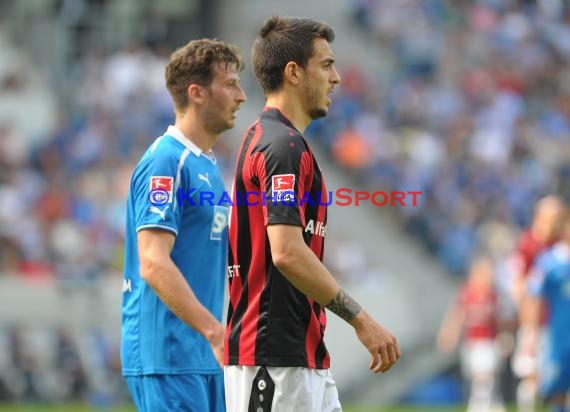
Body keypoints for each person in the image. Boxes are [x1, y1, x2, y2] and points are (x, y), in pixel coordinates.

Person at [224, 16, 400, 412]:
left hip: (300, 357)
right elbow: (285, 251)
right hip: (273, 359)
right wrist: (360, 319)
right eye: (325, 65)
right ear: (293, 73)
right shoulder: (281, 146)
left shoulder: (274, 140)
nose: (336, 78)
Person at [121, 38, 246, 412]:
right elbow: (154, 262)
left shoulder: (206, 165)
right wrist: (213, 330)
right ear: (197, 93)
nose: (241, 96)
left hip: (202, 355)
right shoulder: (166, 161)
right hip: (170, 355)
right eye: (230, 84)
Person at [511, 195, 566, 412]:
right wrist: (528, 324)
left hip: (557, 322)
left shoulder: (559, 245)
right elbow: (521, 287)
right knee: (532, 373)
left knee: (556, 379)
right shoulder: (529, 244)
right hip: (537, 321)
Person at [437, 256, 506, 412]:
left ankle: (483, 406)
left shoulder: (493, 295)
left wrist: (503, 337)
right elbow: (456, 316)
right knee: (481, 379)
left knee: (486, 378)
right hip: (472, 343)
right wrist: (449, 336)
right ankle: (484, 406)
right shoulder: (466, 293)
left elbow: (498, 320)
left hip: (489, 343)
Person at [525, 208, 570, 412]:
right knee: (556, 393)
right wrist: (531, 334)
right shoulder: (549, 262)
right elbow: (534, 299)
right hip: (559, 339)